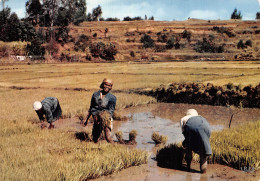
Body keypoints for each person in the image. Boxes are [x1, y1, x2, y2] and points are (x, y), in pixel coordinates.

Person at [83, 78, 117, 143]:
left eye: (109, 85)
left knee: (107, 136)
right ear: (102, 84)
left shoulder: (112, 98)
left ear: (111, 87)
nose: (107, 87)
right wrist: (86, 119)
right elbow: (91, 108)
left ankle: (115, 148)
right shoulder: (95, 95)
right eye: (106, 84)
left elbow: (111, 111)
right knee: (95, 137)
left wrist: (102, 118)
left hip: (106, 119)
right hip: (96, 119)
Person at [180, 109, 212, 174]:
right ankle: (203, 175)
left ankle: (188, 168)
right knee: (203, 153)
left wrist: (186, 143)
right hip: (207, 128)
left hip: (191, 128)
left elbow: (184, 133)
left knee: (188, 146)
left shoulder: (184, 118)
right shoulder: (201, 117)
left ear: (187, 114)